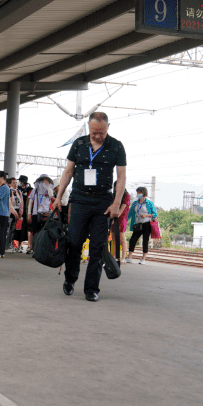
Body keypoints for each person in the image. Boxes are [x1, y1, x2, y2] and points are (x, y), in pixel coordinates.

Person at [54, 112, 127, 302]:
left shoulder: (117, 146)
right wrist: (58, 197)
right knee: (74, 243)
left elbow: (121, 177)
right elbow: (68, 171)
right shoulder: (79, 144)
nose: (97, 136)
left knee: (97, 247)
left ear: (108, 127)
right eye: (94, 132)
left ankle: (92, 289)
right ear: (89, 128)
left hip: (103, 203)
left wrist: (116, 204)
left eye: (101, 133)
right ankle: (70, 280)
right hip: (79, 200)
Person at [126, 187, 157, 264]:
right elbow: (129, 214)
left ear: (144, 193)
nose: (138, 194)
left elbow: (155, 215)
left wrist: (146, 215)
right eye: (137, 192)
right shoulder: (135, 203)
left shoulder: (149, 203)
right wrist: (125, 221)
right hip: (137, 224)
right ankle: (129, 257)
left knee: (145, 241)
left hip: (146, 224)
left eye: (139, 192)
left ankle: (143, 259)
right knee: (133, 240)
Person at [26, 174, 54, 254]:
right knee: (35, 233)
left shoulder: (49, 189)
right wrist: (29, 213)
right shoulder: (35, 190)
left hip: (46, 214)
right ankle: (35, 251)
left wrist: (48, 186)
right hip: (36, 214)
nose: (43, 182)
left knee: (44, 233)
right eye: (42, 180)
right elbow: (30, 202)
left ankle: (43, 251)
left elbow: (51, 196)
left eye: (45, 180)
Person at [115, 189, 131, 261]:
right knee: (114, 238)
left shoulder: (127, 196)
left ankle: (123, 257)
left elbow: (122, 209)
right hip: (115, 217)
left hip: (122, 218)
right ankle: (114, 256)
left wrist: (113, 219)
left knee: (122, 238)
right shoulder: (115, 195)